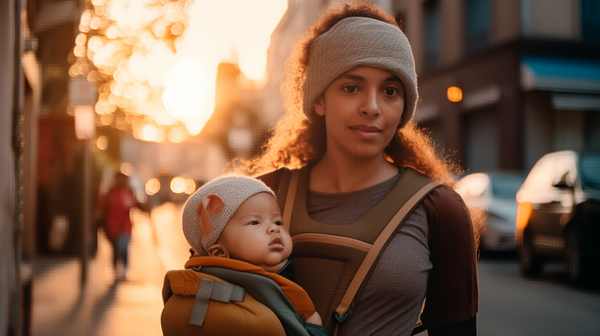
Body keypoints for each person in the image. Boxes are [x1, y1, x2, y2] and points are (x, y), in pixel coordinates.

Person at [237, 2, 480, 335]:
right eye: (352, 88)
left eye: (390, 91)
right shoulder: (260, 197)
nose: (372, 107)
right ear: (319, 99)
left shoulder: (440, 209)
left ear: (404, 106)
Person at [162, 175, 329, 336]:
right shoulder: (277, 287)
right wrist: (314, 325)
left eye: (278, 221)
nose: (274, 228)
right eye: (255, 222)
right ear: (219, 252)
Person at [102, 171, 138, 281]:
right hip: (112, 226)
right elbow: (104, 208)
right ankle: (116, 270)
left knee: (123, 248)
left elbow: (134, 205)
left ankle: (123, 270)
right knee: (115, 249)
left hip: (125, 226)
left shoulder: (128, 192)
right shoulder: (111, 193)